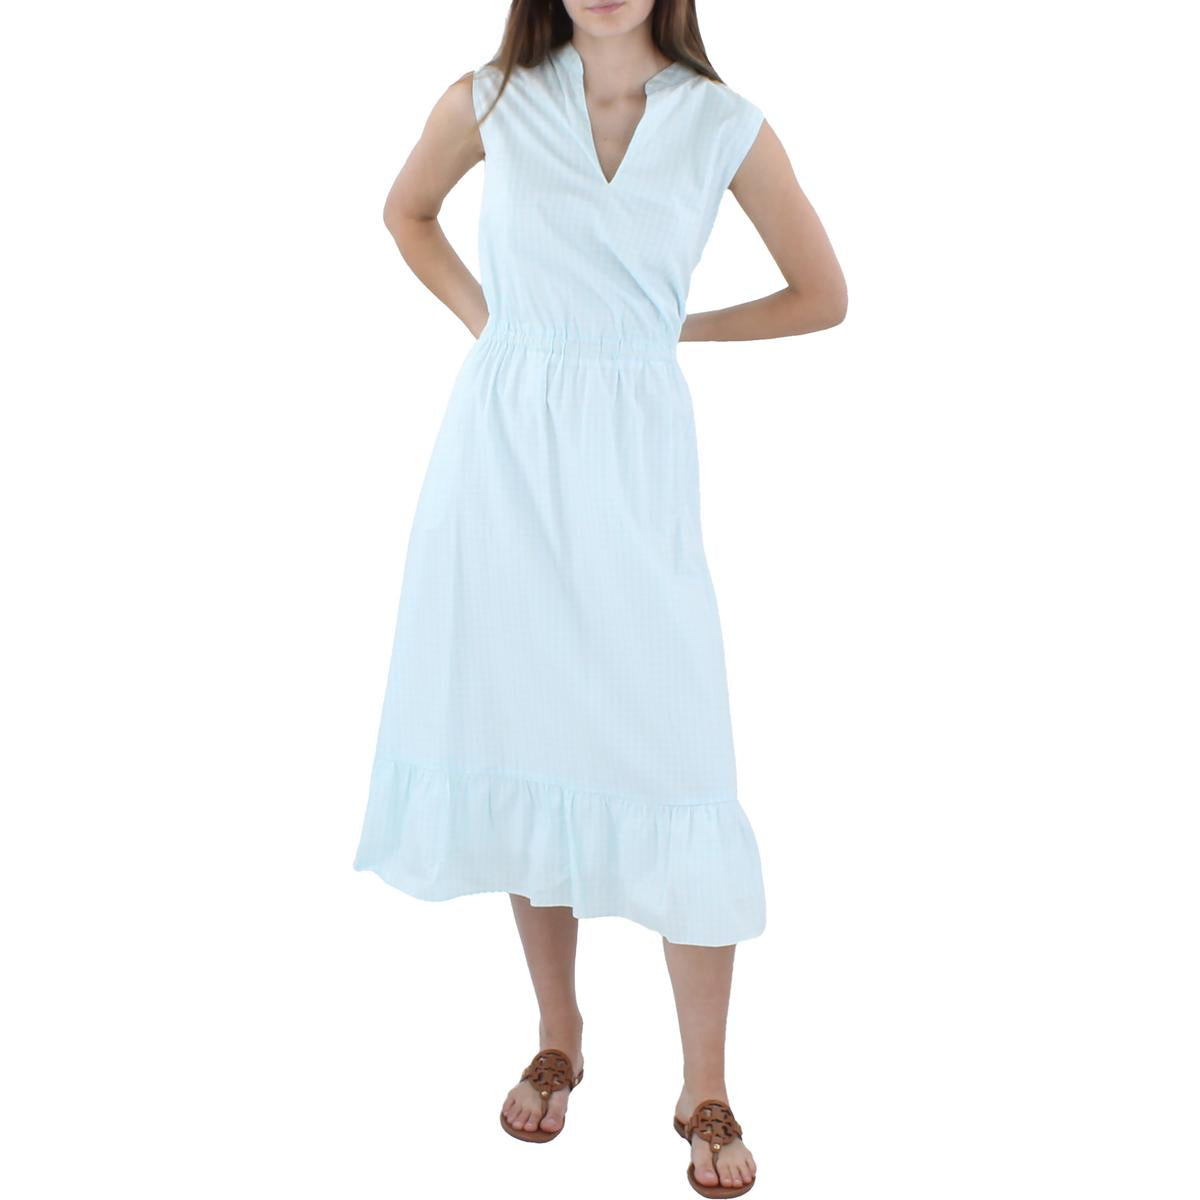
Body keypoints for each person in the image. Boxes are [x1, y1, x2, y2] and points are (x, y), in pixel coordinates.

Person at [353, 2, 846, 1194]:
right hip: (501, 461)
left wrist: (666, 331)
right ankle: (559, 1033)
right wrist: (498, 324)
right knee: (532, 739)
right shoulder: (492, 98)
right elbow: (405, 212)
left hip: (634, 464)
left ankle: (705, 1083)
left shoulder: (722, 123)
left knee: (681, 758)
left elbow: (822, 293)